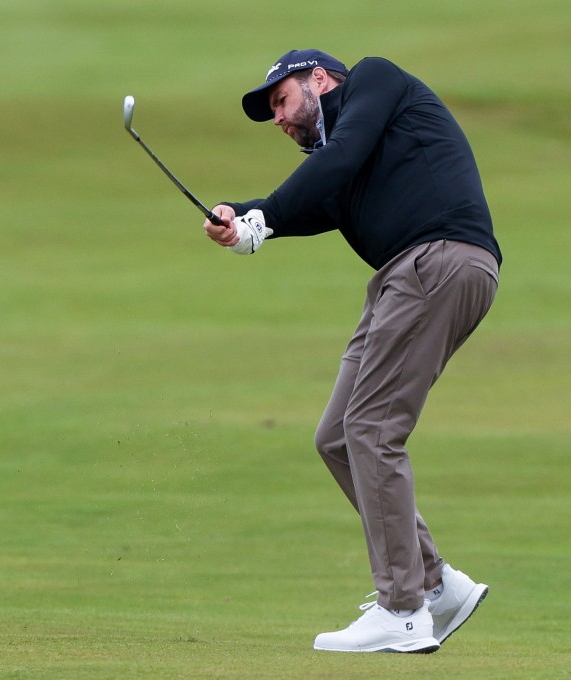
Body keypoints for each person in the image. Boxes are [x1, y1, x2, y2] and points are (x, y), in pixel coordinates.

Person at [203, 49, 502, 653]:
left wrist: (267, 218)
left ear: (320, 79)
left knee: (371, 427)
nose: (281, 120)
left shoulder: (375, 80)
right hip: (412, 274)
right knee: (338, 434)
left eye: (282, 102)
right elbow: (313, 197)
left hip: (438, 259)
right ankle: (437, 585)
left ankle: (403, 610)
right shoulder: (344, 160)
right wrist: (244, 218)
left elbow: (332, 165)